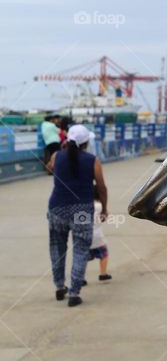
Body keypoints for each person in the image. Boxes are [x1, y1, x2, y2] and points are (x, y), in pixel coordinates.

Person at [47, 124, 108, 307]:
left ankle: (59, 286)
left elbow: (51, 169)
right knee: (81, 250)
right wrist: (104, 208)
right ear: (86, 142)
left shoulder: (57, 156)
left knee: (57, 248)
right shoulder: (93, 160)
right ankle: (74, 292)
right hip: (81, 210)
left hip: (57, 208)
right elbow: (102, 187)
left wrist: (64, 151)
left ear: (68, 141)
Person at [88, 194, 112, 282]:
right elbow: (104, 217)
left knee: (83, 257)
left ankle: (80, 278)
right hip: (97, 236)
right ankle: (103, 274)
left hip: (85, 235)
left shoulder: (85, 205)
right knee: (104, 255)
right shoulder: (100, 206)